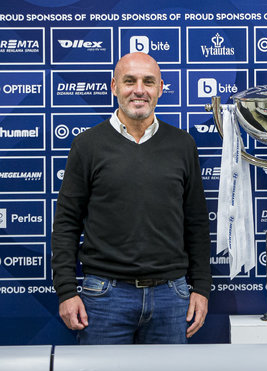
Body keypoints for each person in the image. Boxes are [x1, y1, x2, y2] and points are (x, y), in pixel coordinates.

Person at [51, 52, 212, 344]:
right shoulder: (87, 145)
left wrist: (201, 288)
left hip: (171, 297)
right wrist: (66, 291)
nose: (139, 89)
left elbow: (197, 223)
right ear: (114, 86)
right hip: (104, 298)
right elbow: (66, 223)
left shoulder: (182, 144)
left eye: (148, 82)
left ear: (161, 88)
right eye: (130, 81)